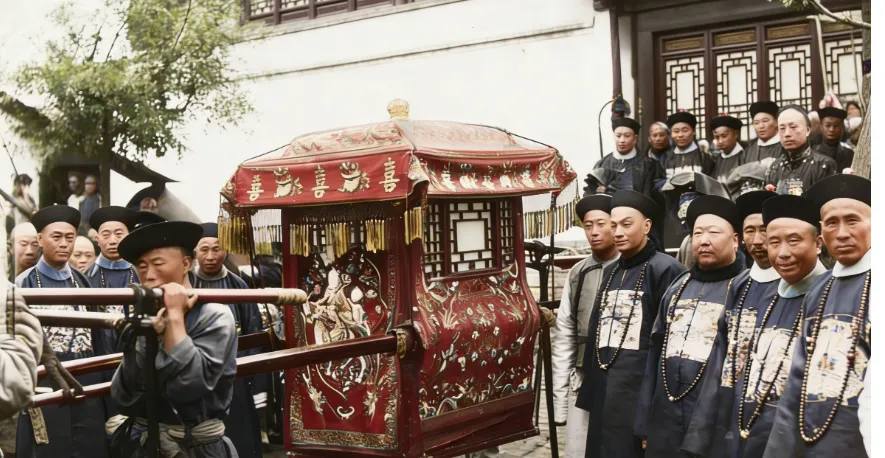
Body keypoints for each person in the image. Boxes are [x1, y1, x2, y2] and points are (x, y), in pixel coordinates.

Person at [684, 194, 827, 458]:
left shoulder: (828, 295)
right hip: (736, 425)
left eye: (793, 241)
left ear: (818, 243)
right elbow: (721, 361)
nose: (782, 253)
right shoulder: (744, 286)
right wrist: (699, 437)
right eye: (774, 242)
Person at [763, 174, 871, 458]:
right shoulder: (820, 291)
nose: (842, 233)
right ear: (822, 233)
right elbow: (796, 381)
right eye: (832, 223)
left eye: (852, 220)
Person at [111, 221, 238, 457]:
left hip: (197, 449)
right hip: (146, 445)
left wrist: (175, 319)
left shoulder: (215, 316)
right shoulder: (146, 316)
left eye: (158, 264)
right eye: (142, 267)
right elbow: (123, 396)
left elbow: (187, 388)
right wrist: (148, 334)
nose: (149, 276)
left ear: (186, 264)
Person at [575, 190, 686, 458]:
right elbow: (596, 328)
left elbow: (669, 341)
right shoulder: (612, 270)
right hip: (605, 384)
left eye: (627, 224)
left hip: (639, 389)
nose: (618, 232)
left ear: (646, 226)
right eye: (613, 225)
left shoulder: (666, 269)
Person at [636, 195, 745, 457]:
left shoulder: (746, 288)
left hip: (716, 421)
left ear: (735, 240)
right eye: (697, 233)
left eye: (714, 233)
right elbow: (654, 352)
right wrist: (645, 423)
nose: (704, 240)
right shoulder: (678, 286)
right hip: (666, 417)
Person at [14, 205, 109, 458]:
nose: (64, 244)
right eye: (56, 237)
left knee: (88, 444)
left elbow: (99, 337)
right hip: (44, 377)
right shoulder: (24, 282)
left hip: (85, 373)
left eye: (69, 237)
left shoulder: (83, 281)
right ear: (39, 239)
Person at [551, 194, 619, 458]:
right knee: (579, 449)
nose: (594, 232)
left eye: (601, 224)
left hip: (620, 377)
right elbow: (565, 333)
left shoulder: (634, 268)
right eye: (588, 226)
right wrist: (559, 401)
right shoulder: (578, 272)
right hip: (583, 374)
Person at [189, 222, 263, 458]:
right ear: (194, 252)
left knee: (240, 433)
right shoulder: (186, 284)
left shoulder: (238, 284)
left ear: (226, 250)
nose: (211, 256)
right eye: (204, 249)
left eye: (217, 249)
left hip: (234, 374)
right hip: (195, 372)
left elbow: (253, 331)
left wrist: (249, 374)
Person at [765, 105, 836, 196]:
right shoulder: (774, 168)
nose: (787, 134)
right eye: (782, 128)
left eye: (793, 127)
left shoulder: (823, 165)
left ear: (807, 130)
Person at [588, 118, 664, 196]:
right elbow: (590, 195)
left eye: (627, 136)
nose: (622, 140)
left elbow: (654, 195)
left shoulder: (649, 165)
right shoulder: (601, 164)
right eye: (618, 136)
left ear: (635, 139)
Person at [661, 111, 714, 183]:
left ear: (694, 131)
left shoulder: (704, 157)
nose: (680, 135)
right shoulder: (665, 157)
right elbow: (658, 181)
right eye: (676, 131)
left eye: (685, 130)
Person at [710, 115, 745, 197]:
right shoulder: (715, 159)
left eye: (724, 136)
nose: (720, 141)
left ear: (735, 134)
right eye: (717, 137)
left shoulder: (745, 156)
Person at [812, 107, 855, 172]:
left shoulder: (849, 154)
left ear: (841, 127)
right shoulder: (813, 153)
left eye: (836, 125)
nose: (831, 129)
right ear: (821, 127)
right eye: (828, 125)